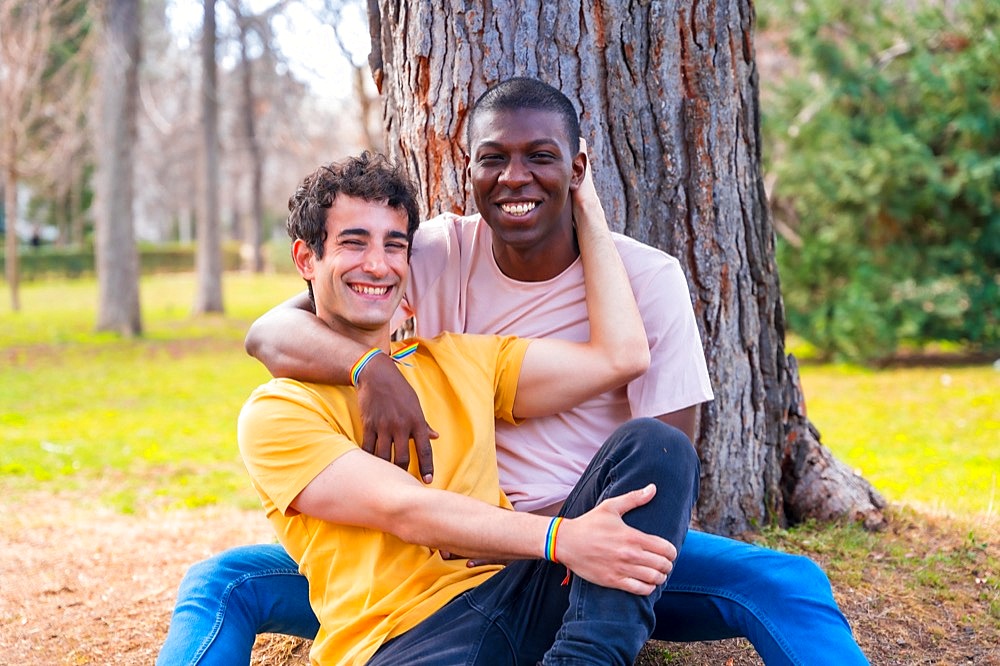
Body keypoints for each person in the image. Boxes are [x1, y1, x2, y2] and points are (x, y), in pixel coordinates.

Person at [159, 78, 868, 666]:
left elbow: (655, 431)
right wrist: (371, 363)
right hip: (449, 567)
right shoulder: (435, 251)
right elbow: (275, 328)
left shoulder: (639, 284)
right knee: (223, 580)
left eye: (543, 158)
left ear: (579, 168)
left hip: (574, 540)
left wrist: (579, 540)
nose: (515, 177)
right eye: (493, 158)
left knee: (780, 573)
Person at [236, 150, 700, 665]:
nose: (377, 264)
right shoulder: (278, 411)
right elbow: (408, 511)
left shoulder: (463, 359)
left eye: (395, 246)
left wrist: (583, 200)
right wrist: (563, 538)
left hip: (516, 598)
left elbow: (621, 356)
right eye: (353, 242)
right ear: (306, 260)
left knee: (656, 446)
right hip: (408, 639)